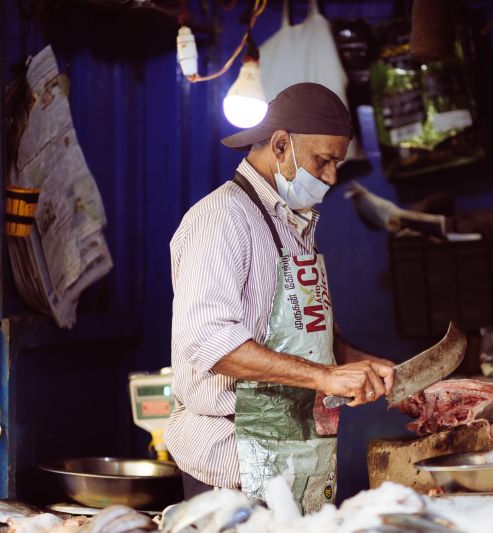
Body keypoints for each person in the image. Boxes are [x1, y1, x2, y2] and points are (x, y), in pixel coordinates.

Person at [165, 82, 395, 513]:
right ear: (280, 145)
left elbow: (307, 331)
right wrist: (325, 377)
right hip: (230, 462)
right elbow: (210, 343)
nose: (331, 177)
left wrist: (358, 363)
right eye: (323, 160)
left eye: (336, 163)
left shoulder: (295, 224)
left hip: (290, 455)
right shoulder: (222, 218)